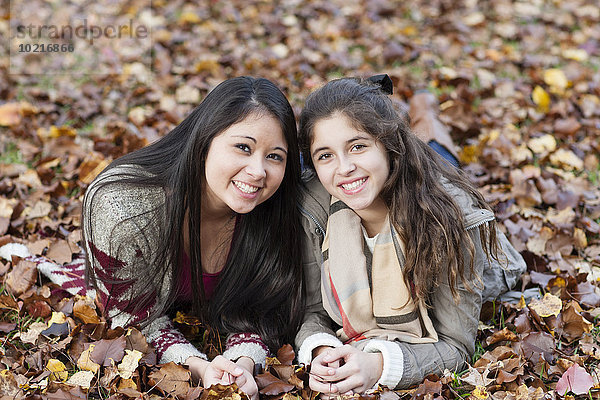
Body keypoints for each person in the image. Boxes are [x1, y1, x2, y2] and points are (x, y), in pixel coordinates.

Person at [294, 76, 526, 395]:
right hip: (392, 174)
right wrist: (320, 351)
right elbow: (314, 309)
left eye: (357, 146)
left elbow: (457, 345)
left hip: (424, 192)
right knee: (428, 153)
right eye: (325, 155)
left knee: (441, 155)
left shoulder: (450, 217)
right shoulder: (317, 208)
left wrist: (378, 365)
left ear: (388, 144)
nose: (343, 167)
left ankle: (426, 112)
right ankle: (422, 118)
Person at [82, 76, 303, 398]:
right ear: (204, 142)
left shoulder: (277, 204)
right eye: (243, 147)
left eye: (275, 156)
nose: (258, 171)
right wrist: (198, 366)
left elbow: (263, 307)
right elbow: (130, 319)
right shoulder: (123, 206)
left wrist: (242, 363)